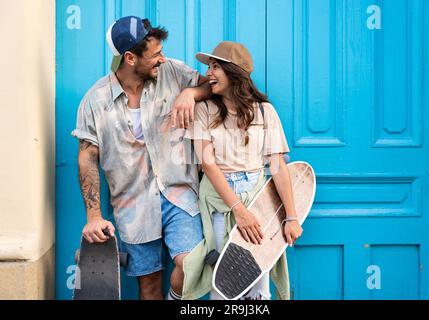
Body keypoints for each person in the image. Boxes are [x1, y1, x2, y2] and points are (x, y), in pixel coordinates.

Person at [72, 16, 211, 300]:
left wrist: (191, 92)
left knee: (192, 267)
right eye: (155, 54)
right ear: (130, 58)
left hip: (179, 195)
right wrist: (94, 216)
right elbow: (87, 157)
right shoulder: (95, 100)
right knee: (148, 285)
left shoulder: (172, 72)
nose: (162, 59)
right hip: (133, 206)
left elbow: (213, 85)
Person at [182, 41, 303, 300]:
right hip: (219, 201)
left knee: (258, 287)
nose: (208, 74)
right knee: (223, 285)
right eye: (209, 67)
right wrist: (238, 210)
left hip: (259, 201)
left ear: (234, 72)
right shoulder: (204, 110)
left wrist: (291, 217)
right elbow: (208, 163)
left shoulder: (265, 112)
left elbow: (278, 166)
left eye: (215, 67)